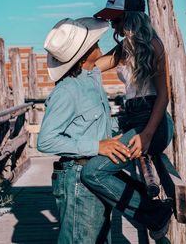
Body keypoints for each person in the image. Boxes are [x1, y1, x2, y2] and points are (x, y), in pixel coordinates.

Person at [81, 0, 174, 240]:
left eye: (116, 18)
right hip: (131, 118)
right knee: (87, 152)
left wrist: (146, 135)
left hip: (151, 123)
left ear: (132, 17)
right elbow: (92, 66)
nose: (112, 22)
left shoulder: (155, 46)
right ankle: (153, 208)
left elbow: (164, 95)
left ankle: (153, 212)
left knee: (92, 172)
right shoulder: (125, 47)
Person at [37, 17, 131, 244]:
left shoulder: (92, 77)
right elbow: (45, 141)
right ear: (84, 53)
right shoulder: (68, 91)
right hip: (77, 178)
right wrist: (97, 146)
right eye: (93, 41)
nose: (98, 42)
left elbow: (119, 53)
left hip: (91, 173)